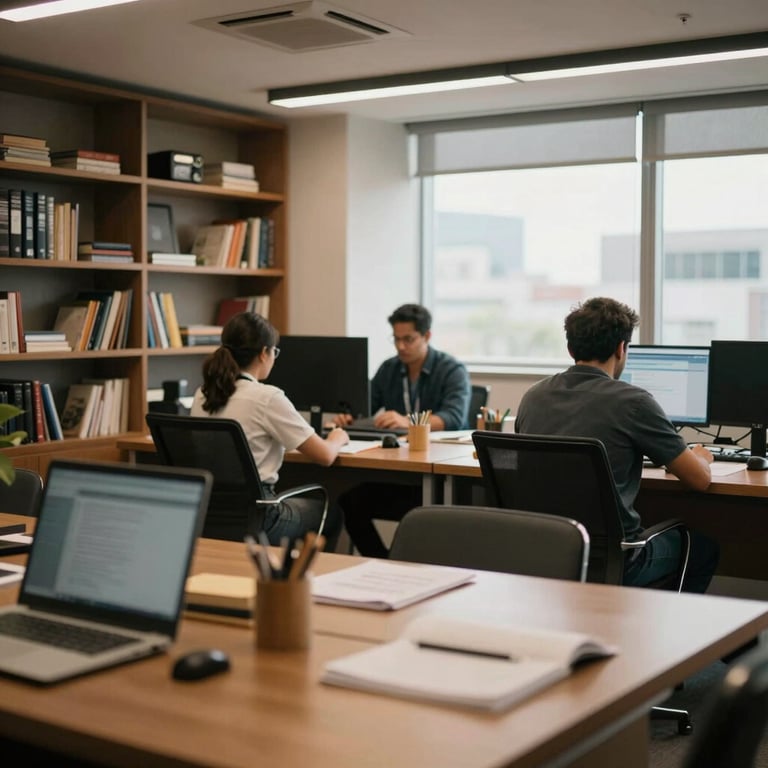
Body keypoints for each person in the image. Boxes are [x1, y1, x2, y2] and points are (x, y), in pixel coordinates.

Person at [515, 296, 719, 594]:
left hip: (547, 553)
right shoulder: (633, 402)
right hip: (615, 559)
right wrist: (700, 457)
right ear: (622, 348)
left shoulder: (533, 396)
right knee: (703, 549)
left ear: (570, 349)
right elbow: (699, 480)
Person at [190, 311, 349, 550]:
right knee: (331, 513)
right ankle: (305, 585)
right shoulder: (267, 397)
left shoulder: (202, 393)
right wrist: (337, 437)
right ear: (264, 353)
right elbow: (325, 456)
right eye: (275, 352)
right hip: (261, 516)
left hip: (209, 514)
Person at [336, 303, 471, 557]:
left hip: (437, 476)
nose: (401, 347)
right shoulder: (389, 368)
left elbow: (453, 418)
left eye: (408, 339)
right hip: (398, 468)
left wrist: (408, 421)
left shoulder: (452, 370)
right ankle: (382, 561)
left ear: (426, 336)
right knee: (349, 502)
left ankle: (401, 564)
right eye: (396, 339)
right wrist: (349, 416)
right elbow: (364, 406)